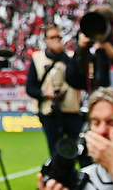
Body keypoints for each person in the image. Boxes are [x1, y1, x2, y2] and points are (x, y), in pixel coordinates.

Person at [27, 25, 84, 156]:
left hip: (71, 111)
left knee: (78, 151)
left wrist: (62, 55)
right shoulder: (37, 58)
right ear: (45, 40)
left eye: (58, 37)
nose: (56, 40)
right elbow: (30, 88)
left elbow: (78, 78)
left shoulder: (70, 57)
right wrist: (44, 94)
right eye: (52, 37)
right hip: (49, 112)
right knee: (56, 153)